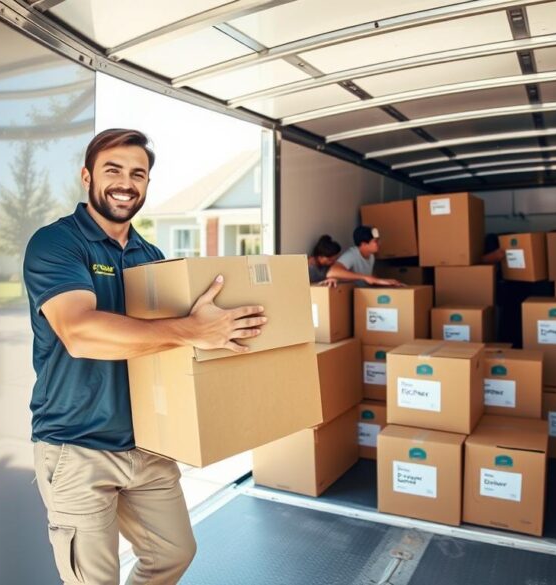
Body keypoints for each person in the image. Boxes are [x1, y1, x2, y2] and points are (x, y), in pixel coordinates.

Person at [23, 128, 267, 585]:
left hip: (147, 444)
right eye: (113, 170)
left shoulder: (149, 255)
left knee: (175, 551)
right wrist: (192, 331)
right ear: (86, 176)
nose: (126, 182)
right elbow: (79, 333)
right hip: (77, 446)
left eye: (138, 173)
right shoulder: (56, 244)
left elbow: (168, 348)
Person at [325, 225, 402, 286]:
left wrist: (385, 282)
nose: (379, 243)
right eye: (375, 241)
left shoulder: (371, 256)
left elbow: (370, 277)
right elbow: (332, 272)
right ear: (364, 244)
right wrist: (364, 277)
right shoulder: (352, 255)